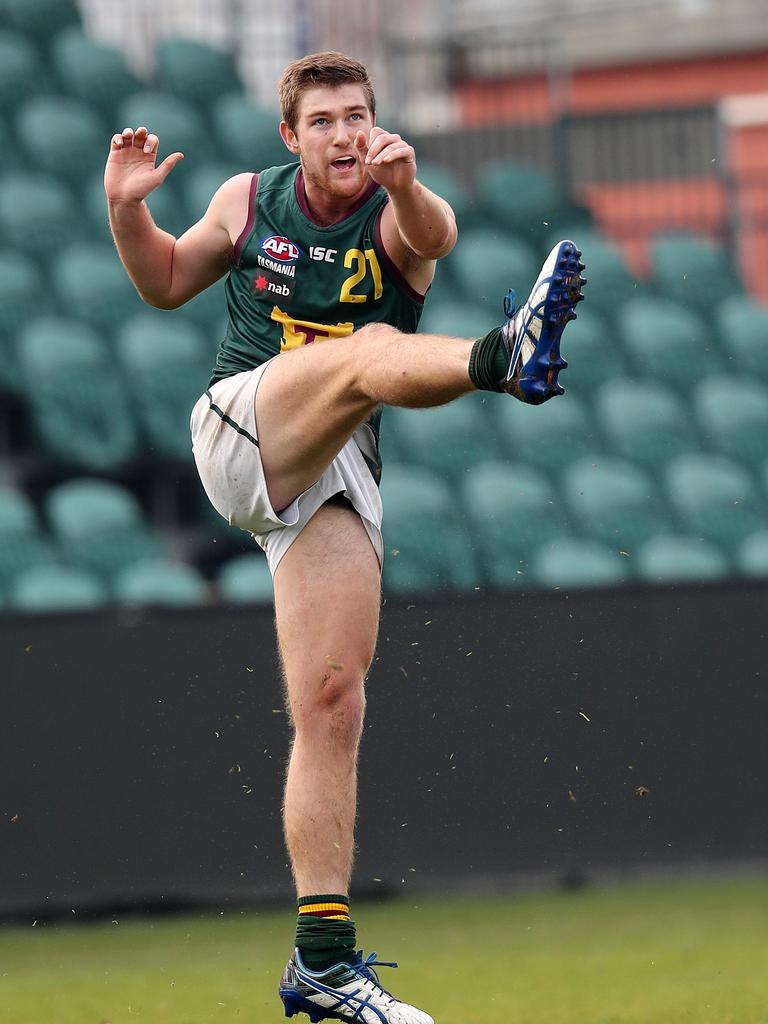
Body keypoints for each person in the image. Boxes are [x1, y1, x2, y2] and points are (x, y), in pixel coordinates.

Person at [104, 50, 585, 1024]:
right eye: (323, 120)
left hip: (335, 469)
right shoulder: (248, 199)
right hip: (240, 426)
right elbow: (161, 282)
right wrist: (127, 209)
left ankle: (321, 960)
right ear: (292, 136)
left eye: (357, 115)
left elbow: (434, 231)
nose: (344, 134)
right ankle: (505, 355)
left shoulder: (398, 209)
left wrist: (409, 183)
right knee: (363, 352)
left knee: (333, 702)